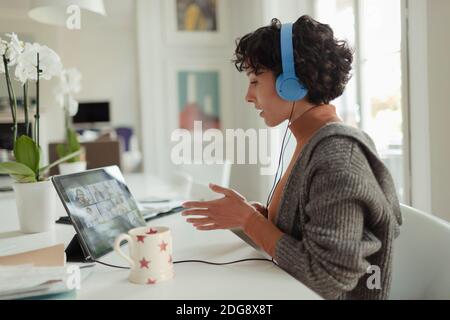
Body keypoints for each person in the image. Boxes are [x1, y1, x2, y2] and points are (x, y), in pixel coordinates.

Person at [182, 16, 402, 300]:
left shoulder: (337, 158)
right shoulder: (312, 141)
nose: (248, 96)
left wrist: (250, 221)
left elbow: (327, 280)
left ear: (293, 83)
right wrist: (255, 217)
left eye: (254, 81)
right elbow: (307, 232)